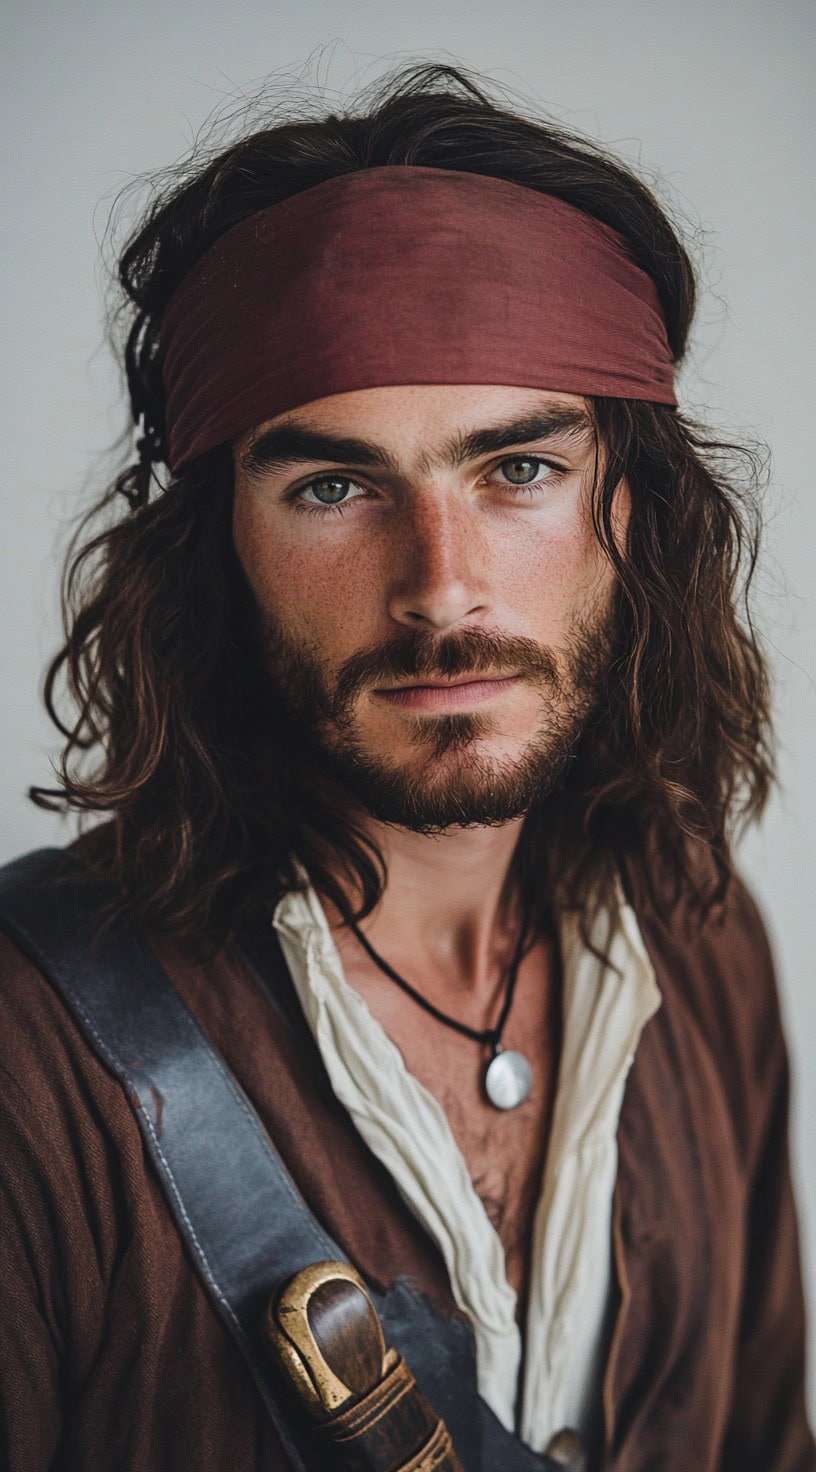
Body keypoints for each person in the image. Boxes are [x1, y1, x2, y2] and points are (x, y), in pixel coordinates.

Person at [0, 60, 813, 1472]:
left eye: (518, 470)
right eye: (334, 486)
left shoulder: (703, 938)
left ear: (638, 505)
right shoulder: (24, 1062)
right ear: (214, 554)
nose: (442, 589)